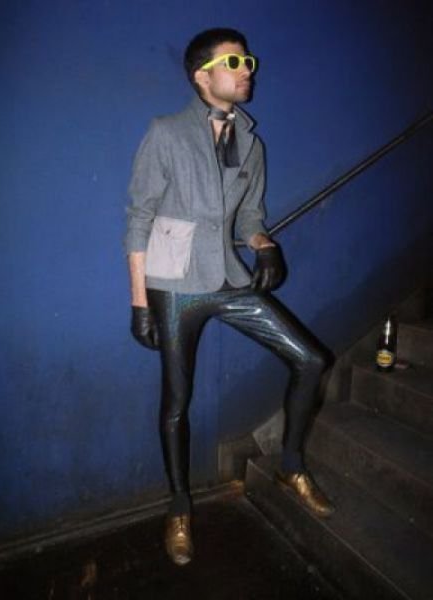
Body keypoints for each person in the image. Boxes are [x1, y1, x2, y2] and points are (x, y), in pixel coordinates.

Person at [125, 27, 334, 567]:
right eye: (235, 62)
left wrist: (265, 246)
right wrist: (140, 303)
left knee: (311, 360)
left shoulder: (252, 143)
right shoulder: (166, 132)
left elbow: (249, 218)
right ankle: (178, 507)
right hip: (175, 285)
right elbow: (139, 218)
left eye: (249, 62)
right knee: (177, 400)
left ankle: (290, 466)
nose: (247, 71)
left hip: (228, 280)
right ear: (202, 76)